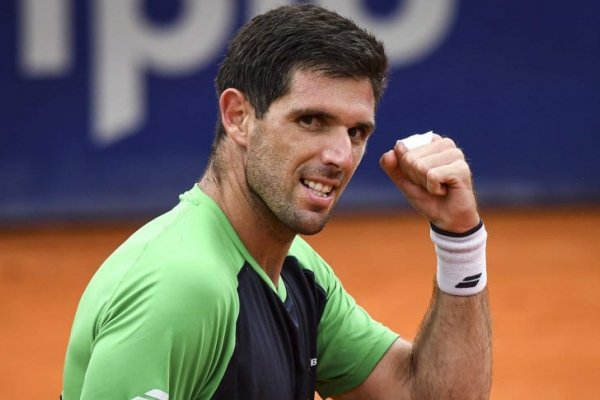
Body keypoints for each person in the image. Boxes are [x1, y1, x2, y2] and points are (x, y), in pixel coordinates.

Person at [62, 4, 491, 399]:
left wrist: (460, 239)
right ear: (239, 117)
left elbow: (421, 394)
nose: (340, 157)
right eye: (311, 120)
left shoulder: (292, 269)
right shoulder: (182, 286)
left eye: (356, 133)